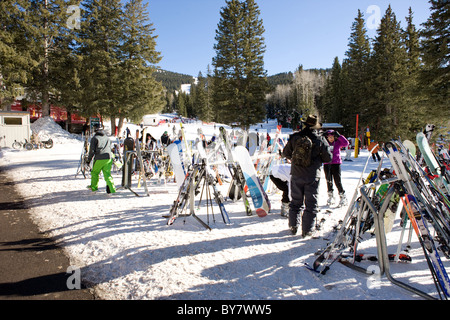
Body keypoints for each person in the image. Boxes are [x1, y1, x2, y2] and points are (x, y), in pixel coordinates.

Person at [282, 115, 332, 237]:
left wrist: (296, 160)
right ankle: (307, 229)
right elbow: (328, 158)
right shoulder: (320, 139)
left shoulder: (295, 137)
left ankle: (293, 226)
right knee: (311, 203)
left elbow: (285, 153)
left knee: (295, 201)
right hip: (312, 175)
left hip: (296, 174)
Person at [87, 125, 116, 194]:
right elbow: (110, 147)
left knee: (95, 173)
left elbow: (92, 150)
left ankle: (94, 187)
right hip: (108, 157)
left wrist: (89, 159)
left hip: (99, 157)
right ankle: (112, 189)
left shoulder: (95, 138)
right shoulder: (107, 138)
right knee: (107, 174)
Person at [323, 130, 349, 207]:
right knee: (328, 180)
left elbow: (346, 143)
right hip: (327, 163)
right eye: (329, 137)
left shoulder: (337, 142)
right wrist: (322, 136)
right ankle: (330, 196)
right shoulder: (325, 143)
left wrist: (340, 136)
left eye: (332, 137)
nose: (331, 139)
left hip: (336, 163)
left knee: (337, 180)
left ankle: (342, 196)